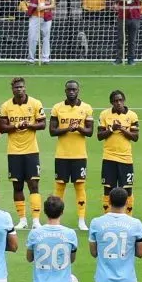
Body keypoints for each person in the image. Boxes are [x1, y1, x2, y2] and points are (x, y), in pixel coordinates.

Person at [0, 76, 47, 226]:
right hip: (14, 152)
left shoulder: (35, 103)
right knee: (17, 186)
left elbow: (43, 124)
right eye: (16, 87)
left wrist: (29, 125)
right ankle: (22, 219)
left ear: (25, 87)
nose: (19, 89)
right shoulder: (6, 106)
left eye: (21, 87)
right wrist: (16, 126)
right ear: (12, 89)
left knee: (33, 184)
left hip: (31, 151)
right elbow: (2, 128)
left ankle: (36, 220)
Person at [49, 79, 94, 224]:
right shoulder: (57, 108)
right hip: (62, 154)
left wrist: (79, 128)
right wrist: (68, 128)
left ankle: (81, 220)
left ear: (78, 91)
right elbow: (52, 131)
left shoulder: (87, 108)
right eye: (69, 90)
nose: (72, 92)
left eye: (74, 89)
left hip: (79, 155)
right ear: (65, 91)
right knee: (59, 186)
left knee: (80, 186)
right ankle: (56, 218)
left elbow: (89, 131)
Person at [96, 88, 140, 220]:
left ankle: (128, 217)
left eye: (120, 100)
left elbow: (135, 137)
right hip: (109, 158)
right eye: (115, 101)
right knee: (108, 189)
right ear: (111, 102)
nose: (118, 103)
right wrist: (111, 129)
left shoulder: (132, 115)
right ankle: (107, 217)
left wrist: (121, 129)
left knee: (127, 190)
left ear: (124, 100)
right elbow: (99, 135)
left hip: (126, 159)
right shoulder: (104, 115)